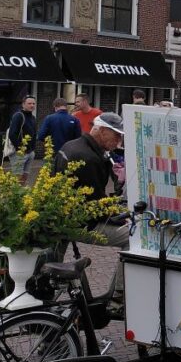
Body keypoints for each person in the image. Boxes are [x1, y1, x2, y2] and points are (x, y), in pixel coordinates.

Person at [55, 112, 130, 298]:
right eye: (116, 135)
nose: (118, 141)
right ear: (102, 131)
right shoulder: (89, 158)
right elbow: (96, 206)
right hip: (80, 223)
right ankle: (119, 294)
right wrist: (121, 216)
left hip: (59, 217)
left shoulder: (70, 145)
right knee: (133, 238)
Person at [7, 95, 38, 185]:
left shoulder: (33, 118)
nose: (32, 105)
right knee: (17, 177)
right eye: (29, 103)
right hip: (20, 153)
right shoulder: (18, 116)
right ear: (23, 104)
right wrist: (20, 148)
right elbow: (12, 134)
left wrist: (32, 150)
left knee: (25, 176)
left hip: (30, 152)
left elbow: (34, 134)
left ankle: (22, 192)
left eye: (33, 104)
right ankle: (15, 192)